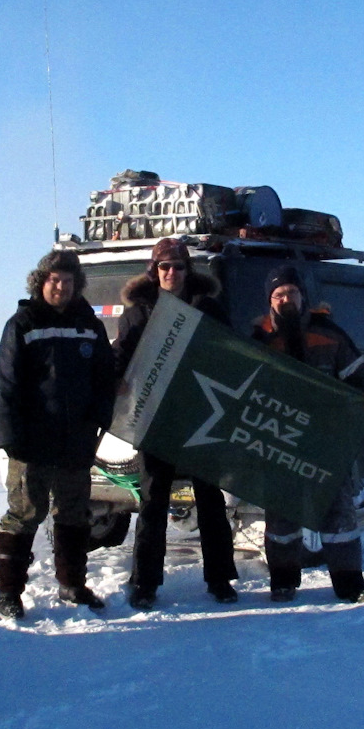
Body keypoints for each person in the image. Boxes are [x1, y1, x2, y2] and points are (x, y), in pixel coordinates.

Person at [113, 237, 240, 610]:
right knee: (152, 501)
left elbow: (231, 355)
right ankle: (144, 583)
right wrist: (114, 383)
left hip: (202, 416)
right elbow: (122, 354)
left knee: (211, 501)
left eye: (178, 266)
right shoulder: (138, 311)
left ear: (188, 270)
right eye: (164, 267)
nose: (171, 273)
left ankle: (220, 579)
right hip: (157, 419)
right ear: (154, 271)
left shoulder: (208, 308)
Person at [0, 248, 116, 619]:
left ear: (77, 285)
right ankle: (9, 592)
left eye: (67, 281)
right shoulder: (23, 324)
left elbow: (104, 377)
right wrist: (8, 436)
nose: (60, 286)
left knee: (73, 514)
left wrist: (101, 417)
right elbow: (6, 385)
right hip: (31, 440)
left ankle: (73, 584)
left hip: (75, 439)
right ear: (40, 282)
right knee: (25, 513)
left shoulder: (89, 325)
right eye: (54, 280)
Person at [248, 264, 364, 603]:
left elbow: (359, 374)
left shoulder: (329, 334)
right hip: (279, 439)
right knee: (282, 517)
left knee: (338, 514)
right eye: (278, 295)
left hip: (326, 440)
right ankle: (283, 581)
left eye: (291, 293)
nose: (285, 299)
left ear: (302, 296)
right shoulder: (258, 338)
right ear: (270, 300)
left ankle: (350, 582)